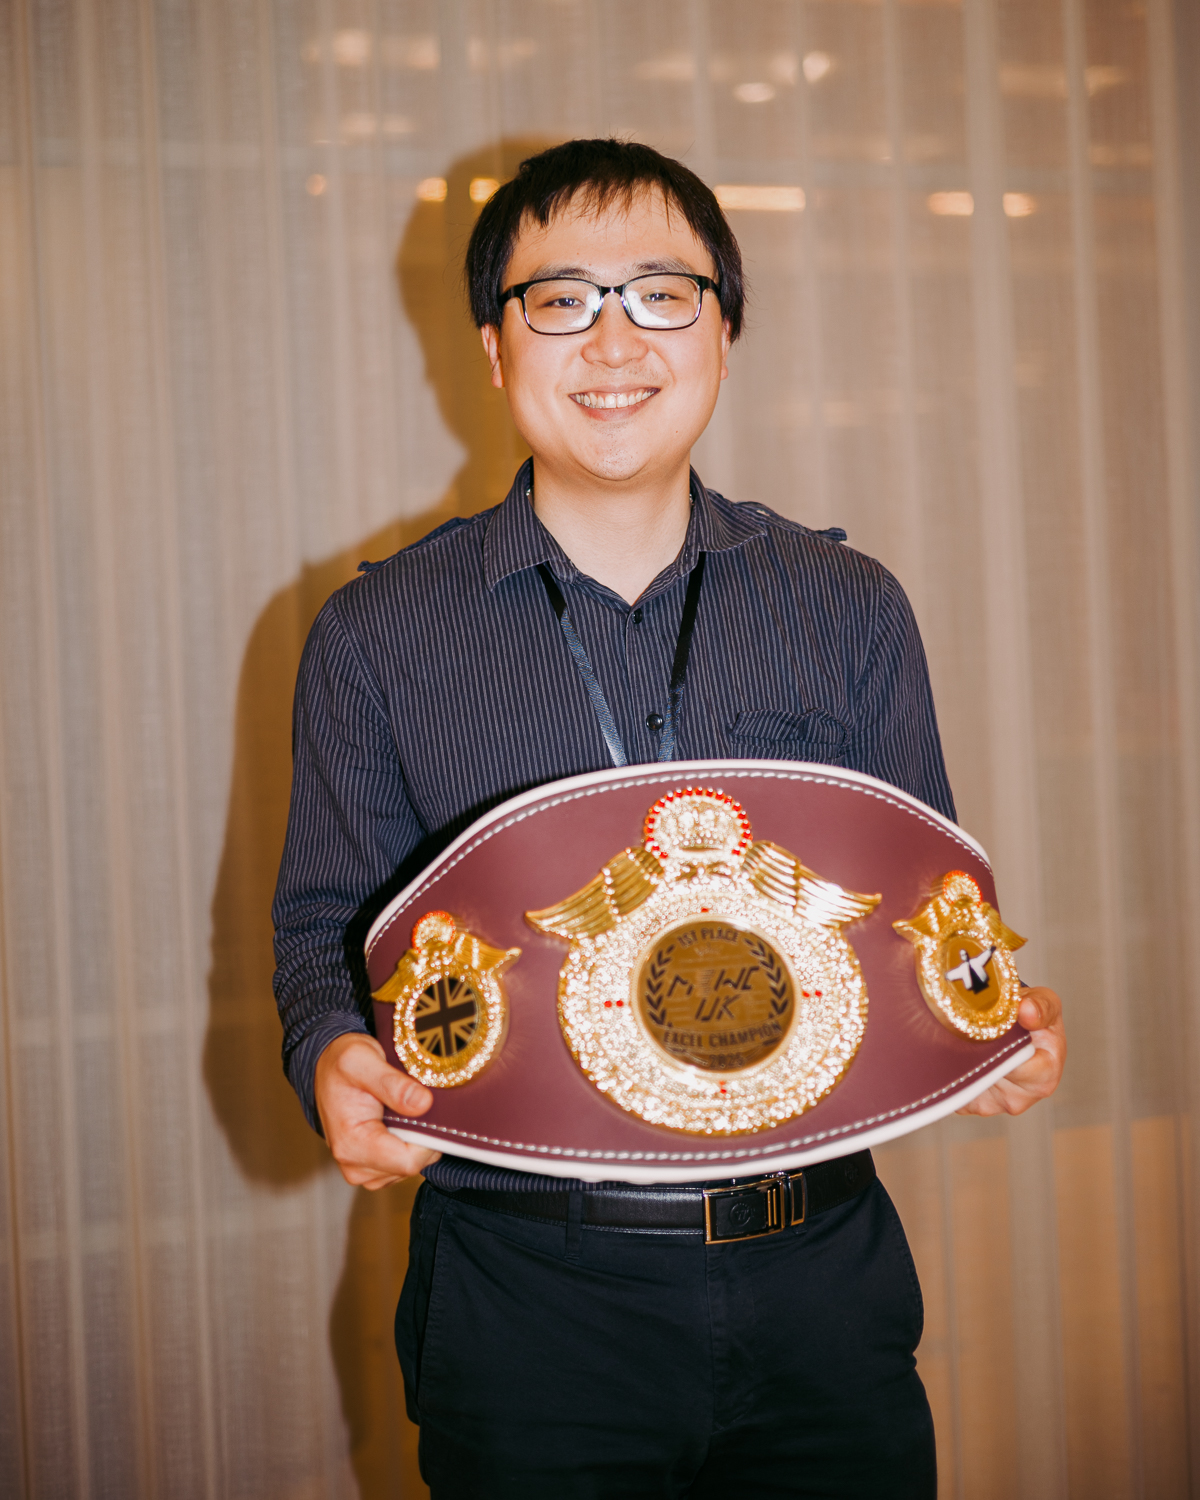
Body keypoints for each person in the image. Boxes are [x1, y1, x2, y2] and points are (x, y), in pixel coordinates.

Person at [273, 138, 1065, 1498]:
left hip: (824, 1278)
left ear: (725, 327)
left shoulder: (849, 603)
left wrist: (989, 1028)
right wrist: (331, 1052)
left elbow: (931, 918)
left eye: (661, 293)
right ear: (492, 343)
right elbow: (318, 932)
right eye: (561, 299)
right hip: (527, 1295)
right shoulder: (374, 633)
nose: (613, 340)